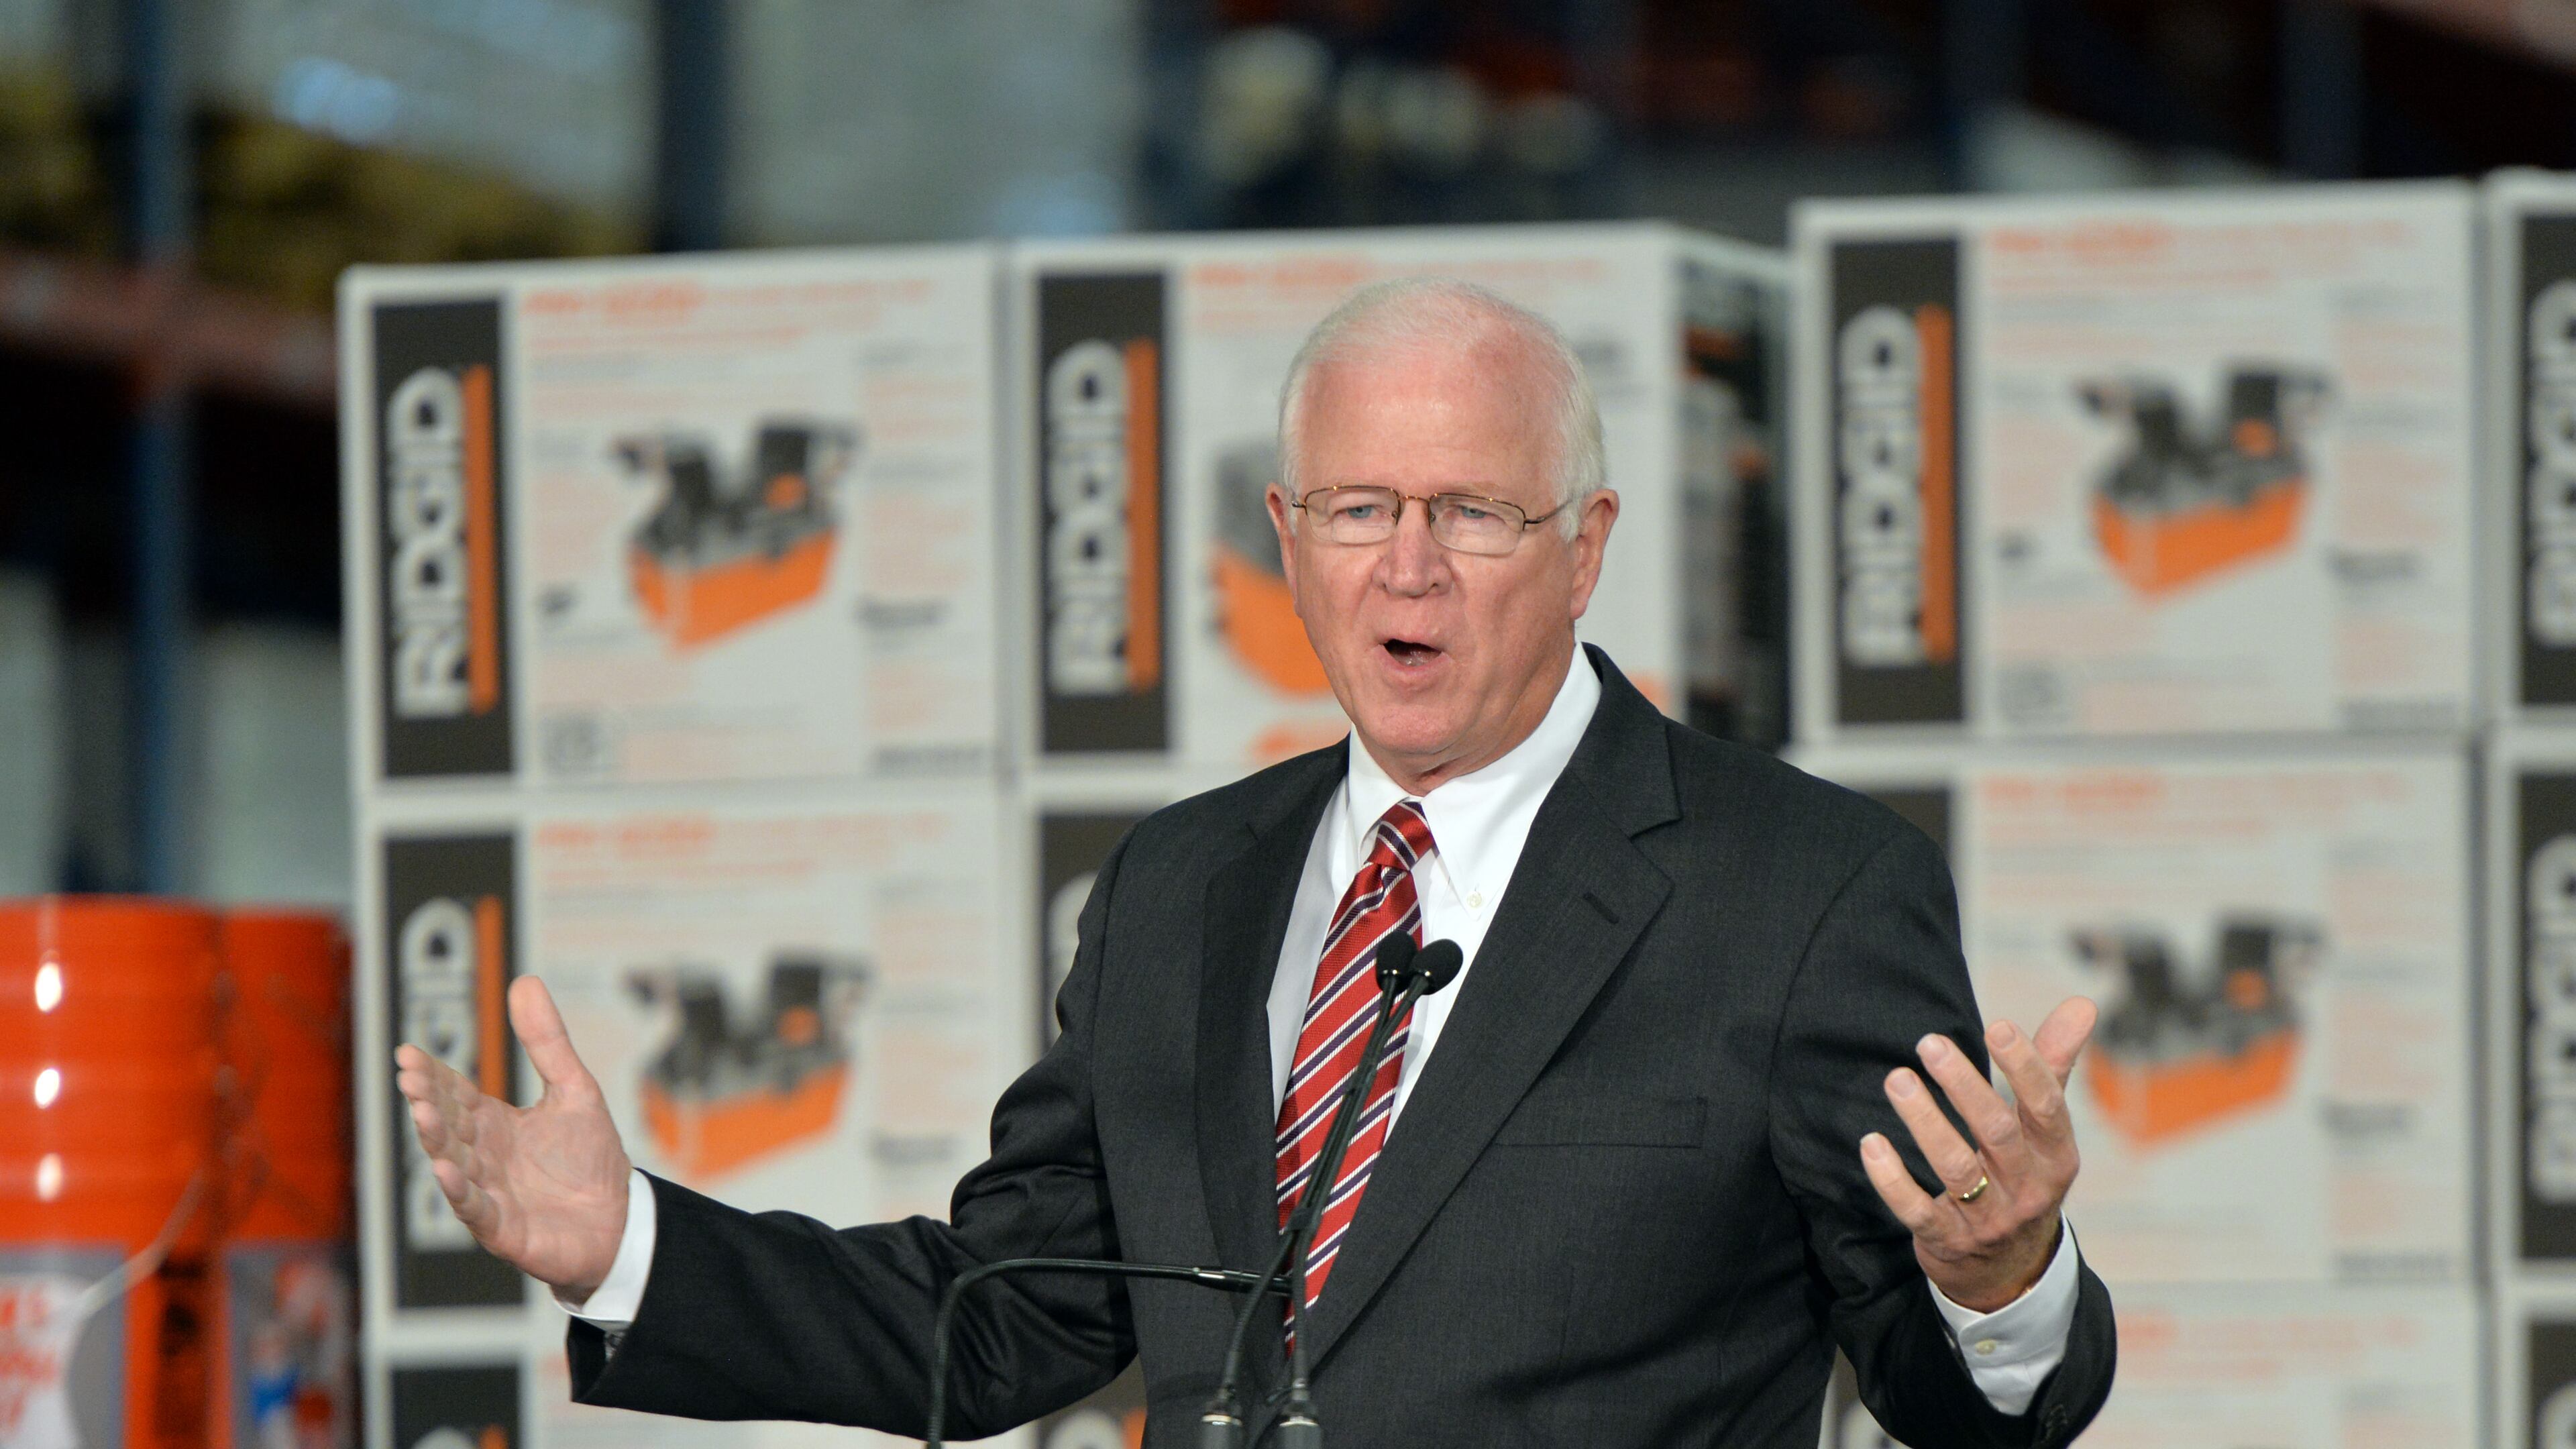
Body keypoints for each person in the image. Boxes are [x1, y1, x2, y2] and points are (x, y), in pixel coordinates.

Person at [396, 278, 2114, 1448]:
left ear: (1585, 550)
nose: (1409, 573)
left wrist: (2001, 1284)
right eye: (1358, 511)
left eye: (1475, 514)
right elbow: (1009, 1312)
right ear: (1287, 542)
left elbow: (1963, 1403)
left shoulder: (1803, 890)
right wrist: (625, 1246)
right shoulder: (1180, 887)